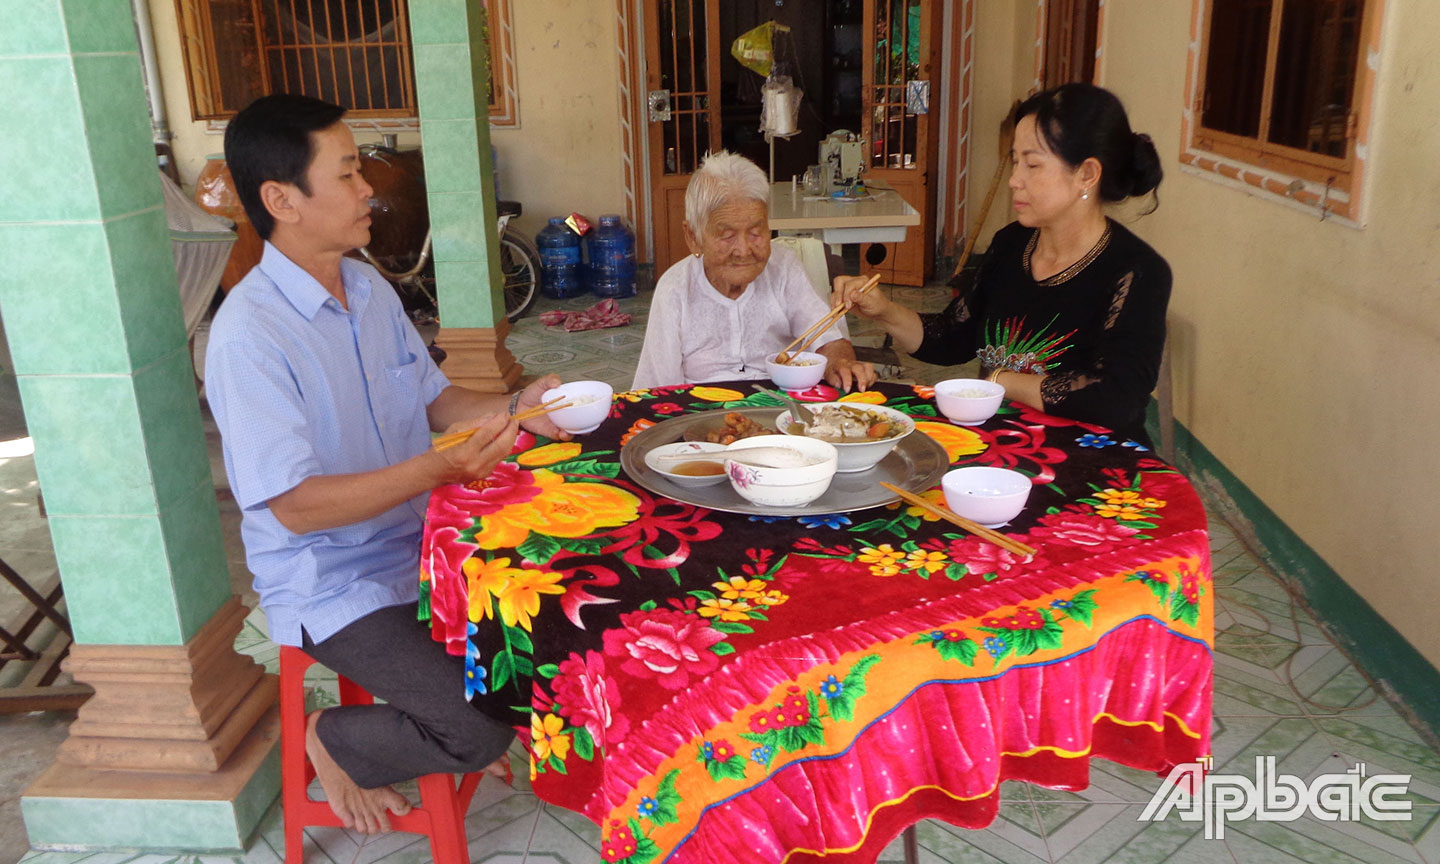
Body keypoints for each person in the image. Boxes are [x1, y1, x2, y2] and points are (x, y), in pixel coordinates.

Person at [205, 94, 570, 836]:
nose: (369, 187)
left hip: (420, 542)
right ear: (283, 200)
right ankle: (331, 739)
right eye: (346, 174)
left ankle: (421, 715)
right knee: (478, 728)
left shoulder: (367, 287)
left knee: (556, 622)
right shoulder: (249, 337)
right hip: (332, 579)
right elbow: (296, 506)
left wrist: (520, 403)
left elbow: (432, 399)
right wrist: (438, 473)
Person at [836, 83, 1170, 444]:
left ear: (1086, 175)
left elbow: (1116, 398)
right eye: (1015, 161)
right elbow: (952, 336)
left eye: (1033, 164)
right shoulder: (1012, 244)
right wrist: (882, 310)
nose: (1014, 180)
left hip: (1092, 461)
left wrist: (999, 381)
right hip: (1008, 443)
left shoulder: (1136, 270)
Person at [632, 151, 877, 392]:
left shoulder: (784, 267)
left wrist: (839, 362)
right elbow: (656, 388)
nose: (743, 250)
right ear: (693, 237)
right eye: (727, 236)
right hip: (702, 413)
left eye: (756, 232)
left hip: (781, 407)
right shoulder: (675, 288)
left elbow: (826, 335)